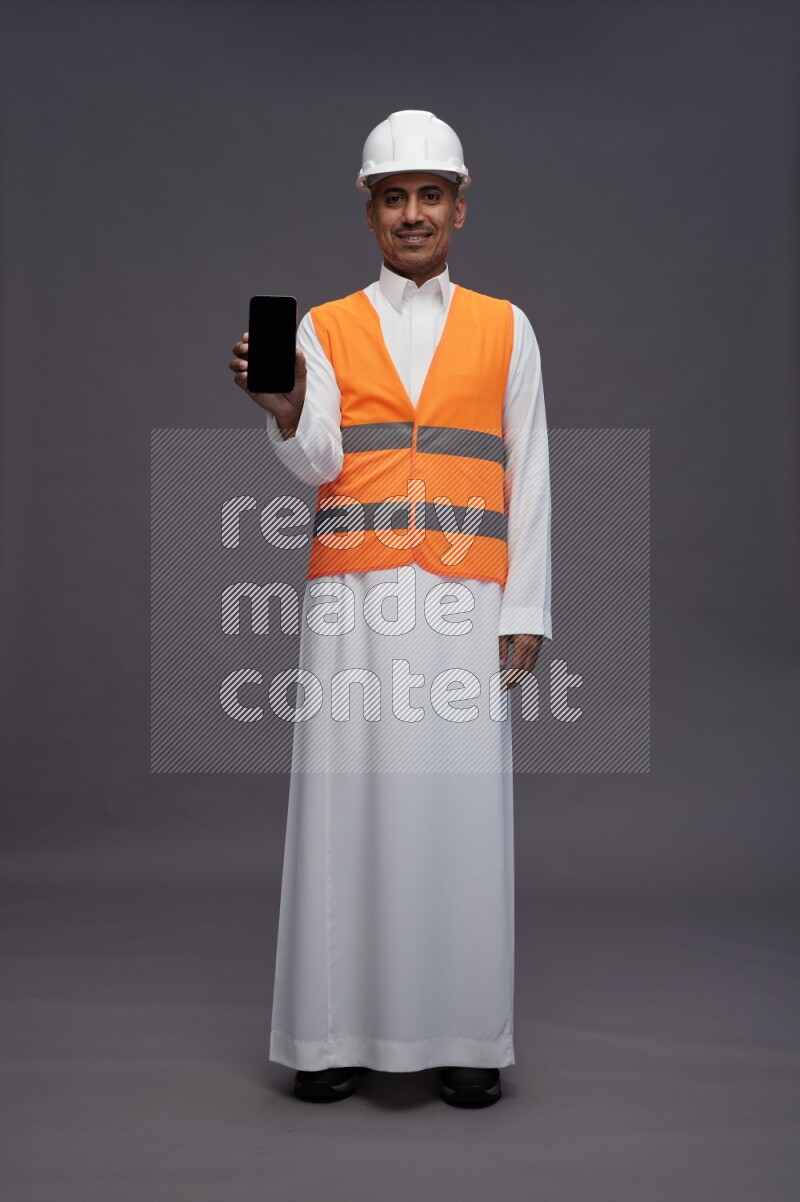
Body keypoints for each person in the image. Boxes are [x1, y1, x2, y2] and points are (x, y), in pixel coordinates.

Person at [229, 110, 552, 1108]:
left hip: (465, 603)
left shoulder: (506, 326)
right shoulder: (324, 327)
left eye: (428, 195)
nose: (410, 213)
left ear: (459, 206)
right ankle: (328, 1034)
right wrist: (286, 410)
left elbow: (530, 469)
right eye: (391, 197)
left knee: (458, 810)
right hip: (354, 599)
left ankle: (462, 1035)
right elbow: (320, 458)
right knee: (344, 803)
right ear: (368, 212)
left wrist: (526, 603)